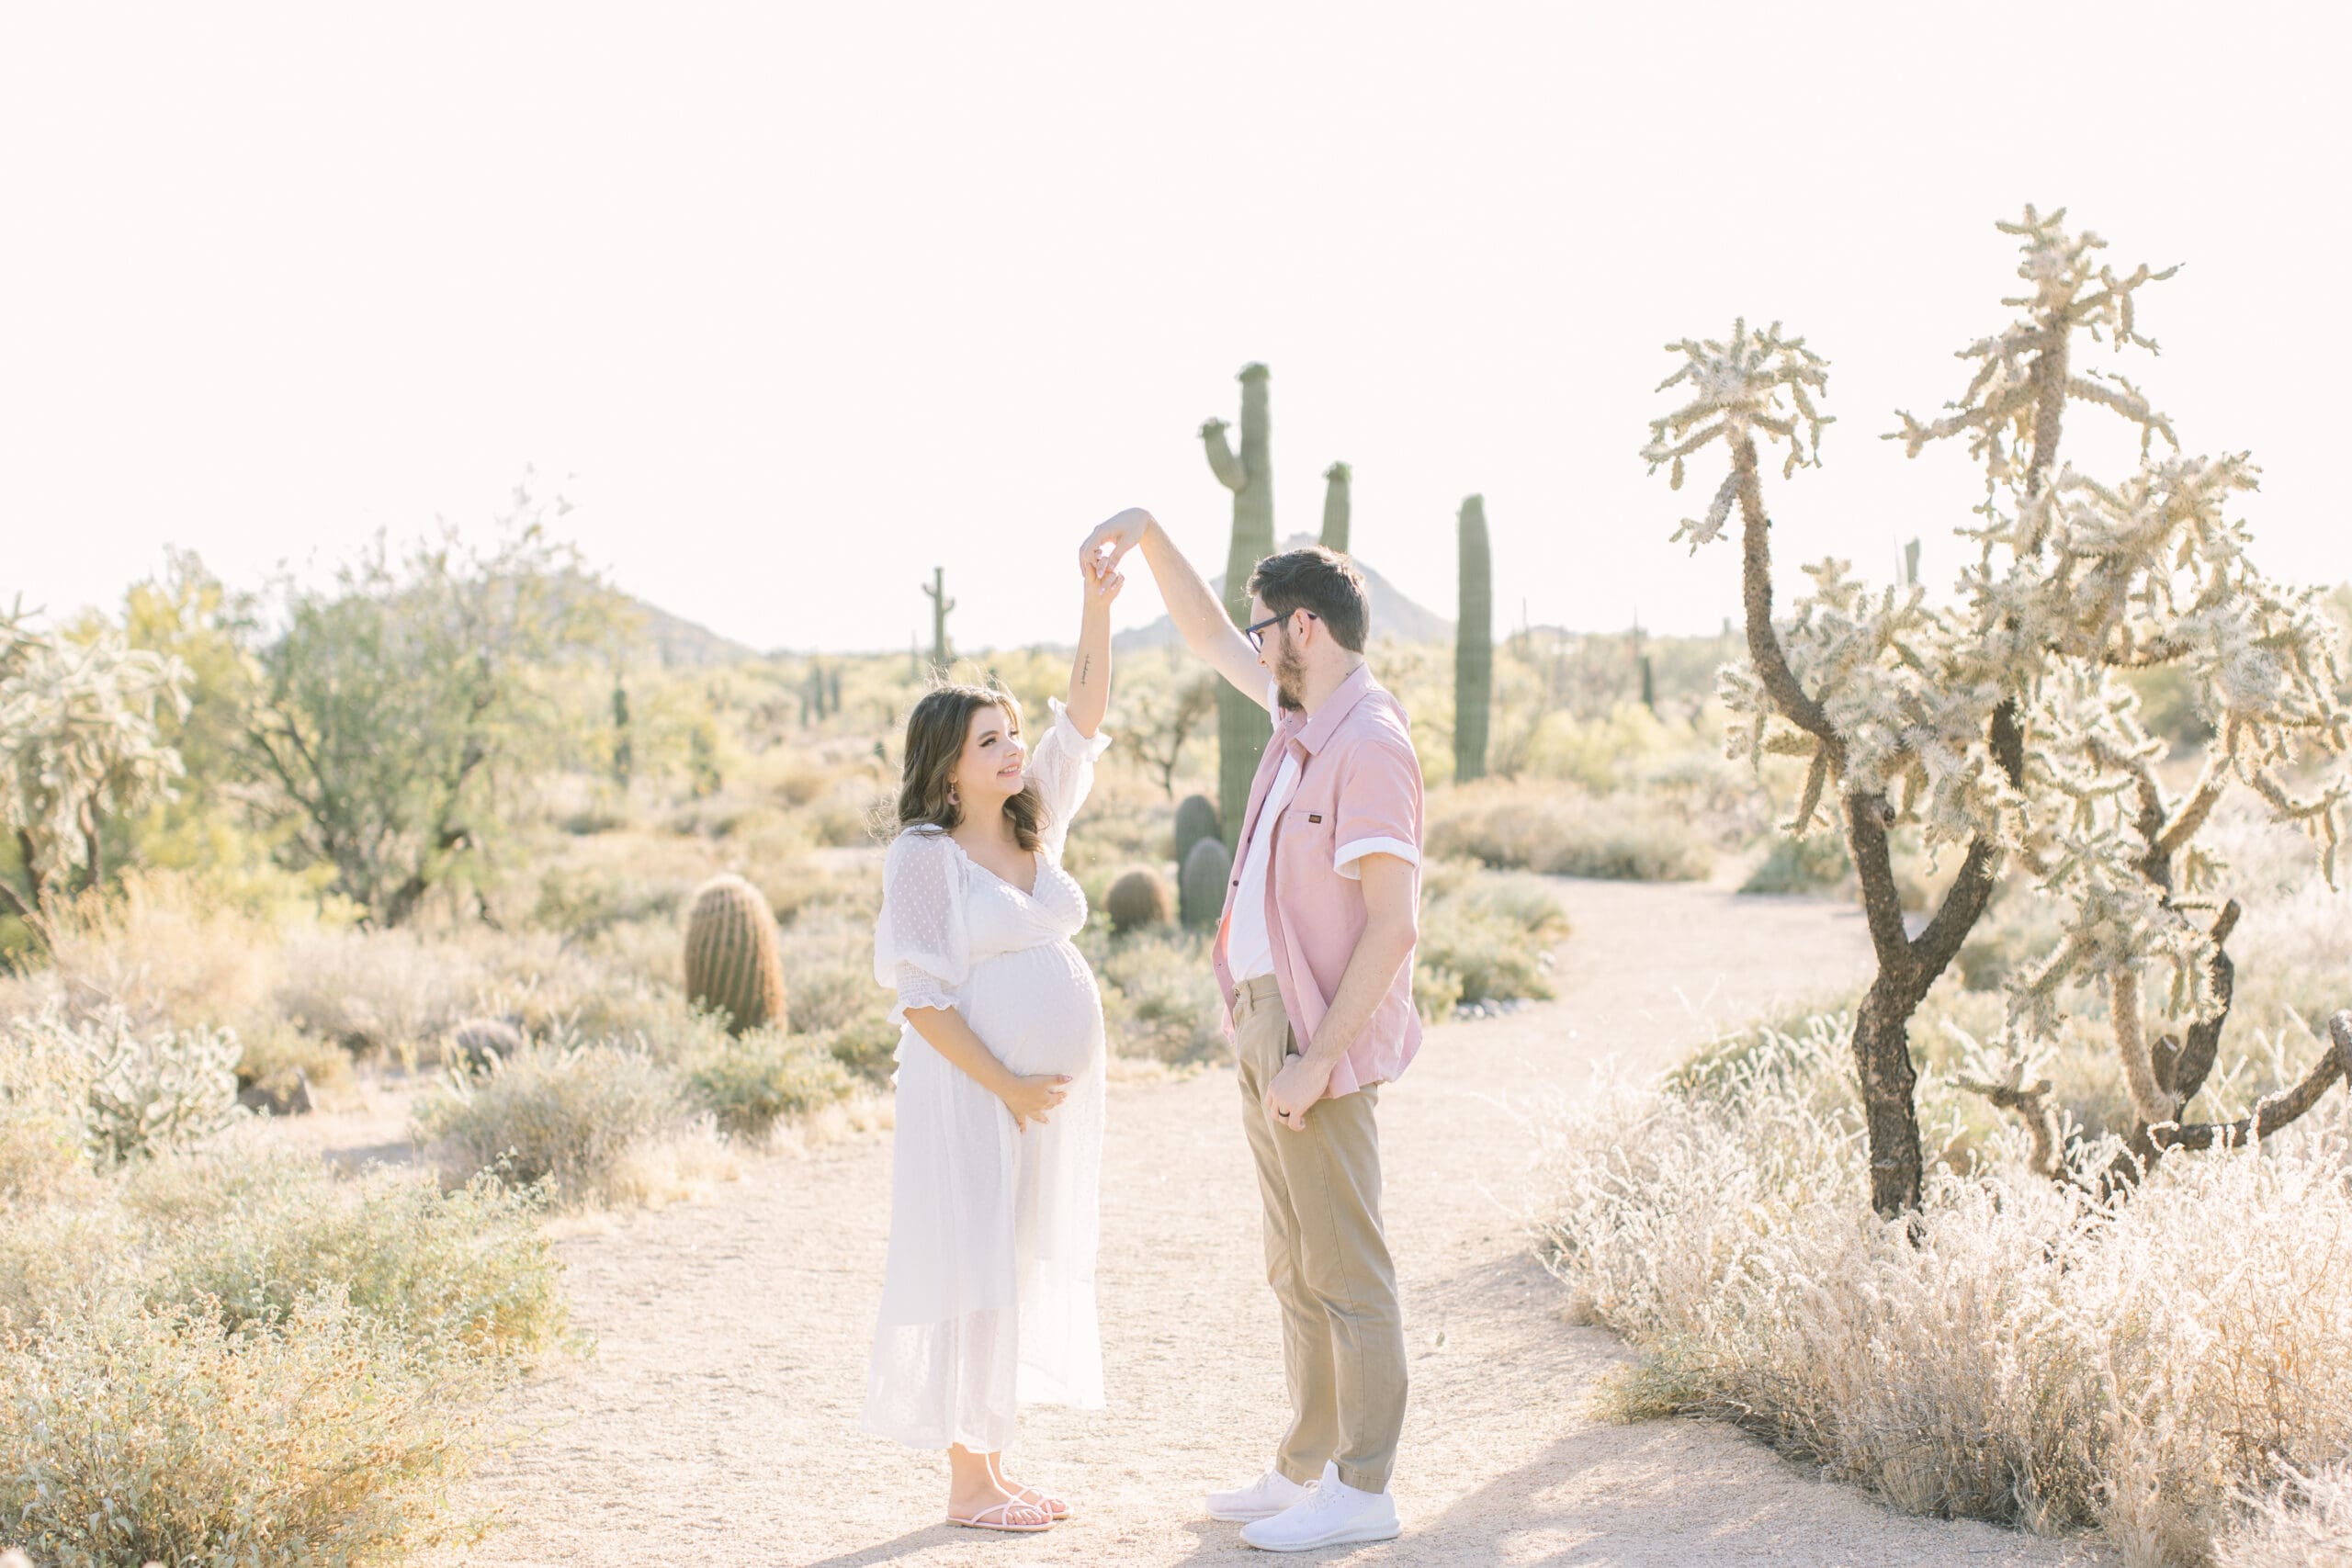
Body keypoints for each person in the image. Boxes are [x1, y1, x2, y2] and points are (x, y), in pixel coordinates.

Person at [1080, 508, 1423, 1552]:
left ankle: (1363, 1489)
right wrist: (1145, 536)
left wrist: (1317, 1062)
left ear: (1304, 629)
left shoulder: (1366, 743)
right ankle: (1304, 1466)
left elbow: (1393, 922)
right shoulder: (1297, 726)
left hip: (1312, 1035)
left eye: (1263, 626)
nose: (1254, 642)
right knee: (1294, 1265)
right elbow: (1201, 639)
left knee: (1348, 1270)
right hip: (1262, 1021)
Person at [863, 557, 1123, 1533]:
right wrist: (1010, 1084)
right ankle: (968, 1486)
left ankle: (994, 1465)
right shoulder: (923, 857)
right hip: (972, 1088)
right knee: (976, 1261)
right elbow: (923, 1004)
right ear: (947, 765)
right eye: (991, 739)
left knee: (1009, 1263)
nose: (1015, 749)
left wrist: (1095, 606)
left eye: (1014, 733)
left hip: (1030, 1094)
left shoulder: (1034, 821)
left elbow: (1085, 716)